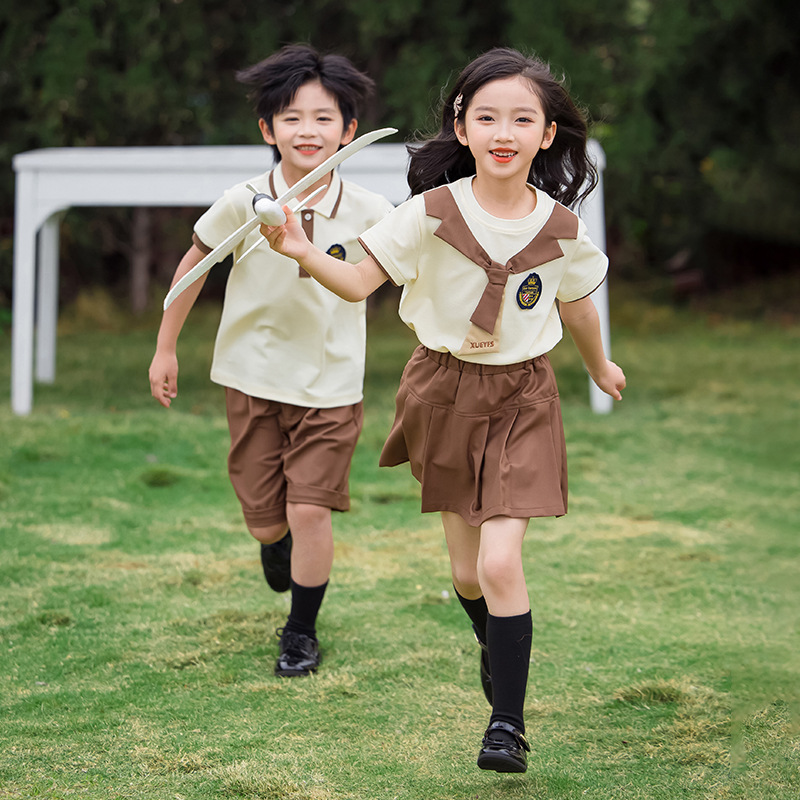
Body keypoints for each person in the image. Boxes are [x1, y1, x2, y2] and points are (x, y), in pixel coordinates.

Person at [262, 47, 626, 772]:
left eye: (523, 118)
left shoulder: (560, 229)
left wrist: (599, 365)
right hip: (443, 393)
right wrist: (302, 250)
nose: (504, 131)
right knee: (467, 574)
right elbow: (360, 281)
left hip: (524, 395)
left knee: (499, 561)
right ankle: (494, 643)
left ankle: (506, 726)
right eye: (486, 116)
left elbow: (579, 307)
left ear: (547, 135)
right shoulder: (427, 215)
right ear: (461, 128)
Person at [148, 44, 395, 678]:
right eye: (290, 117)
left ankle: (300, 632)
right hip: (252, 379)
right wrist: (165, 346)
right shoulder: (243, 200)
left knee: (311, 509)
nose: (306, 131)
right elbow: (192, 269)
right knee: (268, 523)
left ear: (349, 130)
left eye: (322, 118)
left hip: (332, 386)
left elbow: (393, 281)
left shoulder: (372, 211)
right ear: (267, 129)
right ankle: (274, 542)